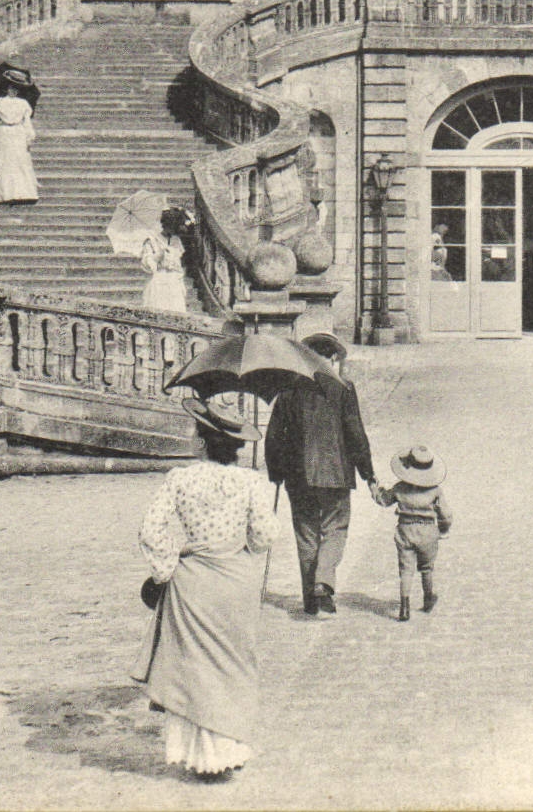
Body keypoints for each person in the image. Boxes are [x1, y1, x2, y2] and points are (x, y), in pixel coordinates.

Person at [133, 396, 276, 780]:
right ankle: (228, 747)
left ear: (200, 438)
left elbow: (151, 529)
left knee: (195, 664)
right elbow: (263, 538)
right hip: (237, 582)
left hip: (193, 581)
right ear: (238, 446)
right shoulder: (251, 482)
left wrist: (165, 571)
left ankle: (199, 754)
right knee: (232, 660)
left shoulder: (180, 478)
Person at [263, 331, 377, 616]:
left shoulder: (287, 391)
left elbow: (274, 436)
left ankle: (311, 600)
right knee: (335, 529)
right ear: (332, 359)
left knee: (306, 535)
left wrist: (275, 471)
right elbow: (355, 435)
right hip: (336, 475)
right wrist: (369, 475)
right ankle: (324, 583)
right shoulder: (343, 388)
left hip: (297, 475)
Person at [373, 446, 454, 622]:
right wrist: (444, 528)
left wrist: (376, 489)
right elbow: (446, 515)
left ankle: (404, 607)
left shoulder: (400, 487)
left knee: (406, 570)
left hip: (405, 530)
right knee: (426, 568)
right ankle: (428, 598)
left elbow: (384, 500)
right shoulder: (435, 490)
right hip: (427, 532)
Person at [0, 70, 39, 203]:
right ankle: (4, 194)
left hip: (18, 132)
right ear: (7, 88)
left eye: (16, 88)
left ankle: (22, 193)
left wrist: (29, 136)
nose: (13, 91)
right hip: (4, 132)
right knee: (4, 161)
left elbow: (26, 121)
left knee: (19, 161)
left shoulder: (23, 103)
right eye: (11, 88)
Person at [141, 206, 192, 313]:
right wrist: (159, 255)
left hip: (174, 283)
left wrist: (180, 280)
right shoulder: (152, 240)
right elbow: (147, 264)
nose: (172, 231)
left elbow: (179, 264)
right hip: (159, 281)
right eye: (171, 227)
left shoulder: (176, 240)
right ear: (165, 225)